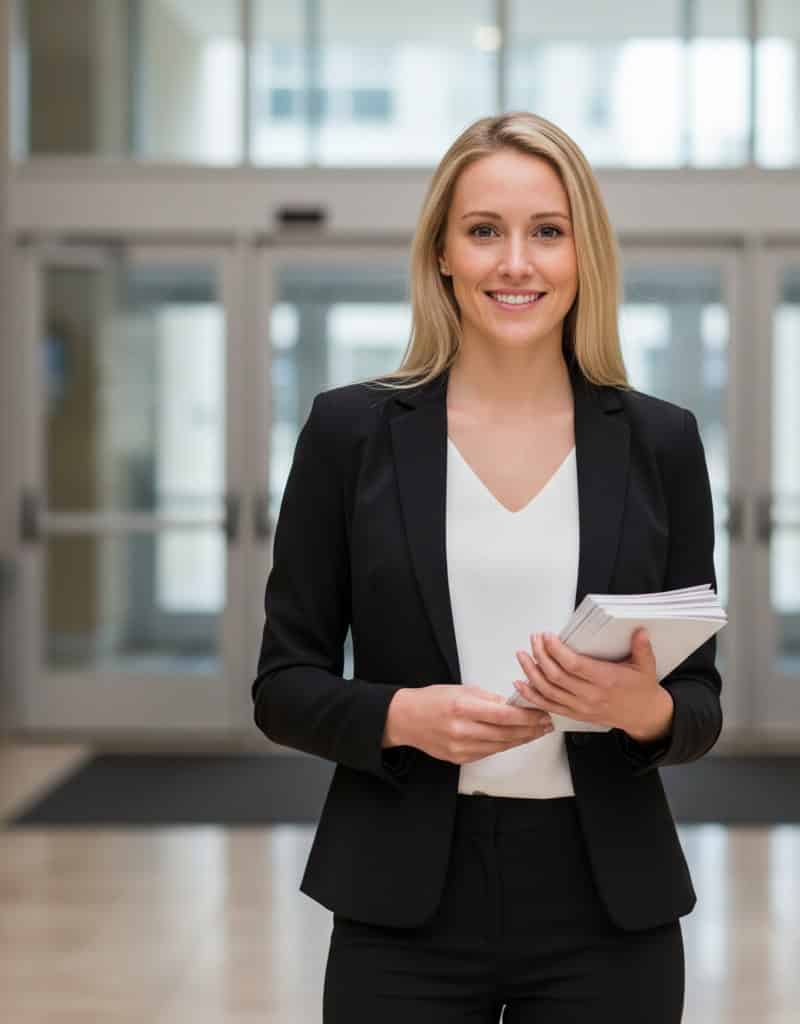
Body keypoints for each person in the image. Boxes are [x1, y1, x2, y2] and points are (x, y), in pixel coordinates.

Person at [252, 111, 722, 1023]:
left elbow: (700, 703)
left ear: (583, 255)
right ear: (441, 255)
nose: (516, 263)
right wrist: (400, 715)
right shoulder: (351, 433)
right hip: (401, 900)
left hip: (606, 903)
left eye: (547, 232)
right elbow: (282, 684)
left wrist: (643, 709)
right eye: (484, 232)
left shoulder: (661, 442)